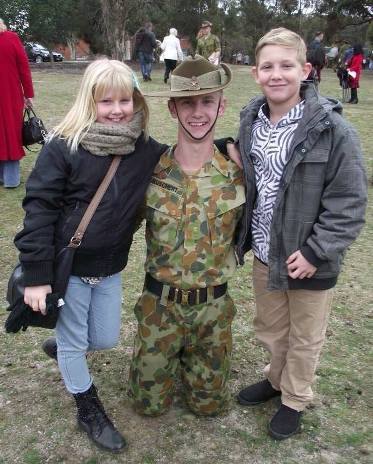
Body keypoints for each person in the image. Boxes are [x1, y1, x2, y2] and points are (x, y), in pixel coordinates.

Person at [14, 59, 168, 452]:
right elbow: (40, 209)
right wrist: (36, 274)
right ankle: (88, 407)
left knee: (102, 338)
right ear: (89, 101)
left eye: (124, 100)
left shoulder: (144, 150)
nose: (117, 110)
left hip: (110, 268)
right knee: (73, 344)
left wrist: (222, 147)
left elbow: (180, 158)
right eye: (106, 101)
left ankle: (65, 349)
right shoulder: (64, 147)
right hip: (69, 269)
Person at [228, 28, 367, 440]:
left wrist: (315, 251)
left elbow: (349, 202)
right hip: (265, 252)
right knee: (271, 328)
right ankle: (275, 379)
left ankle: (294, 398)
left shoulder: (333, 130)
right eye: (267, 66)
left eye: (286, 65)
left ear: (305, 70)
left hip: (308, 257)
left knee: (305, 335)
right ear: (255, 73)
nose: (277, 74)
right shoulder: (251, 120)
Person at [128, 55, 245, 417]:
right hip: (158, 308)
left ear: (221, 106)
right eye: (187, 103)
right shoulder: (148, 170)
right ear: (172, 108)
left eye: (207, 101)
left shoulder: (239, 173)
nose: (198, 112)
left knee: (209, 408)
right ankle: (161, 359)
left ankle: (197, 367)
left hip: (213, 309)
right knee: (147, 407)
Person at [0, 18, 34, 188]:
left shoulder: (11, 38)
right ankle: (11, 179)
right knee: (11, 133)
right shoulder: (11, 39)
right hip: (10, 96)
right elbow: (24, 68)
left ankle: (6, 177)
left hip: (10, 96)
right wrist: (28, 94)